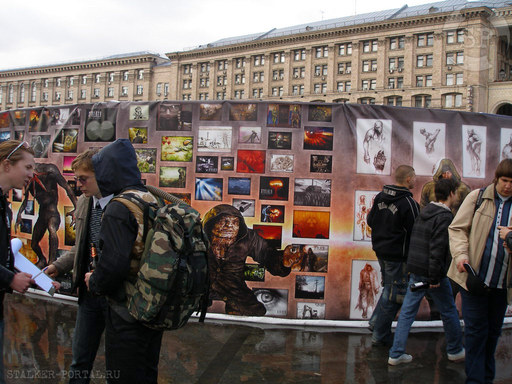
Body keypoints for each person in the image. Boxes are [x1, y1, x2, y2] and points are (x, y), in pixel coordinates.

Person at [85, 139, 163, 384]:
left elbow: (114, 265)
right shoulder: (148, 198)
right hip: (151, 304)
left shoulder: (119, 207)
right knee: (147, 372)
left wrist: (94, 282)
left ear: (109, 170)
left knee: (123, 376)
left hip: (126, 310)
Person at [45, 149, 113, 383]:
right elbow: (82, 245)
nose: (78, 184)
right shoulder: (84, 202)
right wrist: (59, 266)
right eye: (76, 179)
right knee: (80, 360)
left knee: (118, 364)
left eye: (83, 179)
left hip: (117, 296)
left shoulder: (123, 205)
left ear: (102, 174)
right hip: (89, 296)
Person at [447, 159, 512, 384]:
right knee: (476, 333)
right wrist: (462, 255)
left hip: (502, 284)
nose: (508, 186)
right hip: (474, 280)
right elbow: (457, 229)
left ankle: (487, 377)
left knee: (493, 333)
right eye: (505, 180)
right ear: (496, 178)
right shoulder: (477, 197)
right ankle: (475, 380)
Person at [388, 178, 465, 365]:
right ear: (452, 194)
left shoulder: (424, 213)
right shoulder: (445, 217)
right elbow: (437, 249)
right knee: (448, 310)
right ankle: (455, 350)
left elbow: (416, 244)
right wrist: (434, 277)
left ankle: (396, 353)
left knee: (407, 312)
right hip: (433, 274)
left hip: (417, 271)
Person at [202, 204, 292, 316]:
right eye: (224, 221)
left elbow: (267, 255)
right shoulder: (196, 235)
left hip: (233, 287)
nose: (229, 226)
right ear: (211, 225)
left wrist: (284, 262)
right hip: (196, 285)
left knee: (253, 315)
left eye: (234, 222)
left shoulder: (249, 238)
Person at [367, 165, 419, 346]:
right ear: (408, 179)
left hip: (381, 252)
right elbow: (416, 232)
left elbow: (370, 220)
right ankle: (380, 335)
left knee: (390, 289)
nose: (416, 180)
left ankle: (375, 323)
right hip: (398, 256)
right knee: (395, 295)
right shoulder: (409, 204)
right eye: (414, 177)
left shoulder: (380, 197)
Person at [0, 140, 36, 384]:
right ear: (6, 165)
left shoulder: (4, 202)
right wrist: (10, 278)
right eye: (28, 167)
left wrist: (41, 279)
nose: (32, 174)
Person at [16, 162, 78, 268]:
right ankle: (42, 260)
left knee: (52, 231)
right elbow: (25, 200)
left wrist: (77, 208)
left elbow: (67, 187)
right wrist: (19, 215)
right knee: (34, 244)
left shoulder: (50, 170)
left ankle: (51, 262)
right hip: (42, 215)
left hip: (53, 213)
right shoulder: (29, 180)